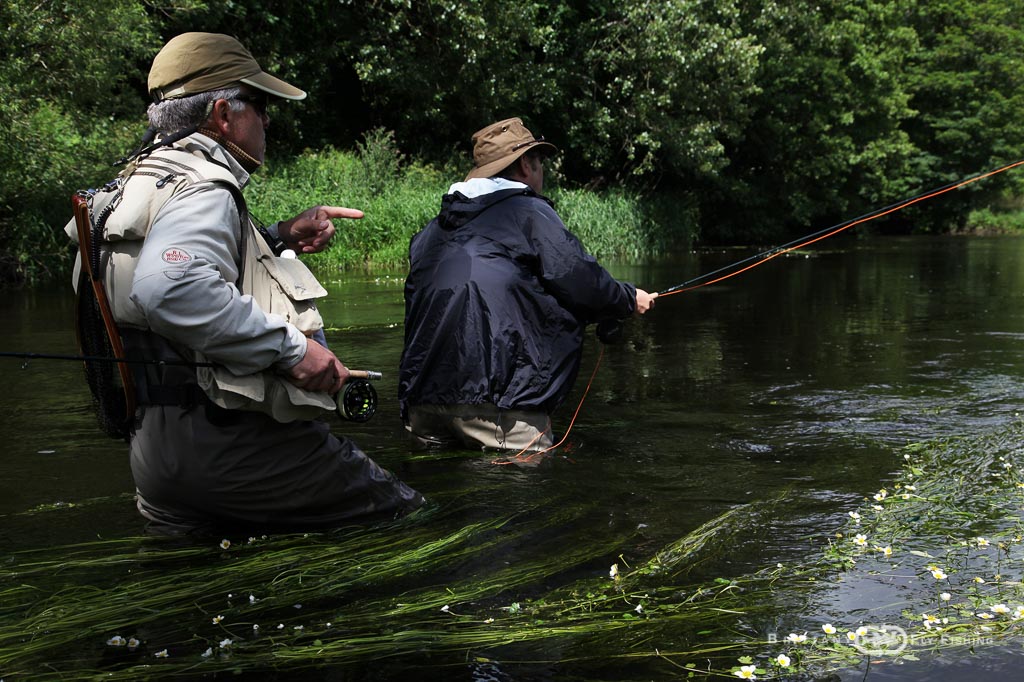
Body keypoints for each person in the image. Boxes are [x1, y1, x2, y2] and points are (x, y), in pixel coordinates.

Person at [66, 32, 423, 534]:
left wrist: (278, 237)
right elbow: (170, 288)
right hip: (237, 448)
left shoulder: (137, 183)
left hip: (156, 456)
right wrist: (294, 350)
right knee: (406, 517)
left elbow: (165, 271)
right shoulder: (204, 187)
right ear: (222, 114)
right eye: (259, 104)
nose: (268, 118)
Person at [398, 116, 657, 453]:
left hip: (423, 402)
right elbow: (581, 282)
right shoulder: (528, 213)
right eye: (540, 165)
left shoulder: (431, 232)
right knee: (524, 499)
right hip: (500, 404)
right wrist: (627, 298)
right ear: (524, 165)